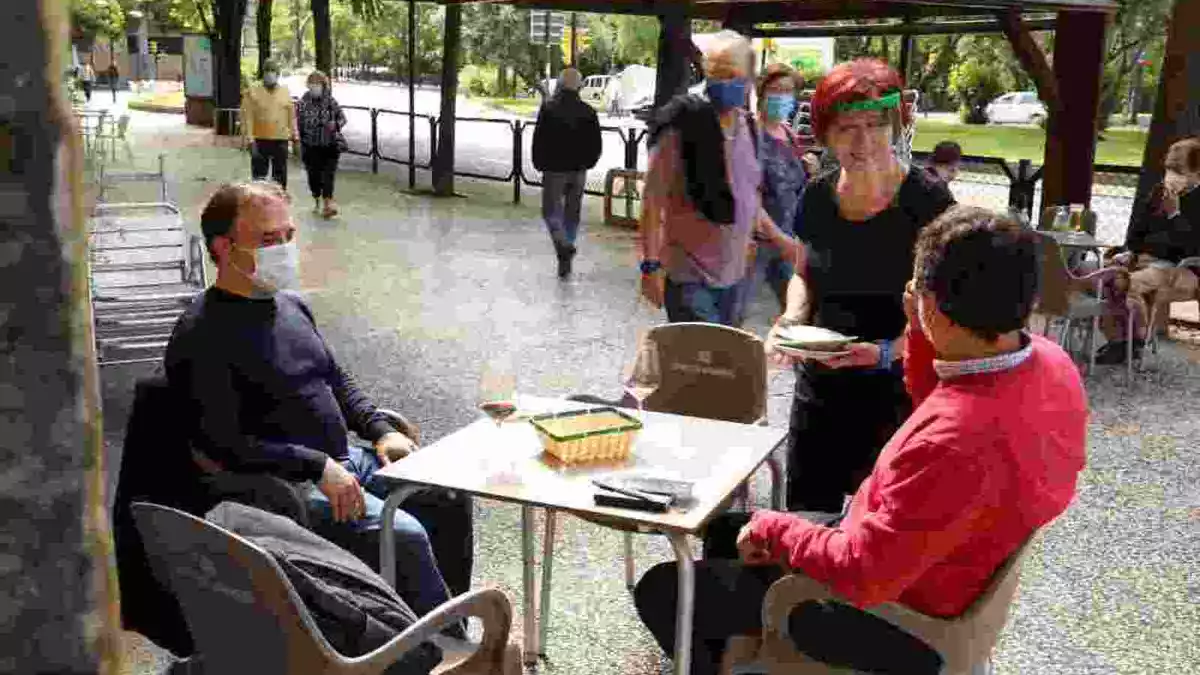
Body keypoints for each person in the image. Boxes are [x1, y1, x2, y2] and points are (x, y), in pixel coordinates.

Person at [634, 206, 1088, 674]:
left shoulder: (956, 441)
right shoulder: (1050, 366)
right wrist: (923, 330)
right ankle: (750, 643)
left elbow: (862, 574)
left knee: (666, 589)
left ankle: (746, 658)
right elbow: (941, 397)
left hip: (897, 615)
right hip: (947, 561)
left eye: (916, 287)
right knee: (724, 531)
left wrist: (775, 529)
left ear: (935, 303)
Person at [164, 182, 474, 618]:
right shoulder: (202, 332)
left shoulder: (289, 304)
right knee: (406, 535)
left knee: (448, 495)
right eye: (269, 240)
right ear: (222, 246)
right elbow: (222, 443)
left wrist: (380, 431)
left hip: (345, 459)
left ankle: (445, 618)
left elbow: (333, 377)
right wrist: (315, 466)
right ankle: (432, 648)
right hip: (284, 486)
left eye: (288, 236)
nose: (284, 250)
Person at [772, 58, 954, 512]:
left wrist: (888, 351)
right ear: (826, 133)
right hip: (821, 389)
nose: (863, 140)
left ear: (896, 125)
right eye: (846, 127)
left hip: (900, 393)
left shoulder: (928, 201)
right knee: (808, 517)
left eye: (875, 124)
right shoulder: (817, 195)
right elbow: (802, 272)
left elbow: (947, 305)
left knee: (887, 524)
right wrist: (793, 317)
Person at [639, 31, 789, 326]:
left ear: (748, 79)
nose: (725, 81)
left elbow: (749, 196)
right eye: (718, 72)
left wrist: (780, 240)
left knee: (722, 364)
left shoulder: (749, 128)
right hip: (689, 277)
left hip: (735, 277)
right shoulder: (683, 125)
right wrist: (650, 266)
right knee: (699, 364)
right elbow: (653, 201)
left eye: (733, 73)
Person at [1095, 136, 1200, 364]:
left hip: (1180, 268)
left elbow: (1190, 245)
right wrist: (1129, 251)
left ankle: (1135, 340)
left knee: (1128, 284)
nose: (1172, 177)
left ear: (1196, 173)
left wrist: (1174, 215)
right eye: (1170, 170)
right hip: (1145, 259)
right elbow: (1138, 229)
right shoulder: (1158, 193)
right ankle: (1119, 341)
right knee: (1103, 276)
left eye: (1179, 172)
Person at [737, 63, 807, 320]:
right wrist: (779, 238)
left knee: (797, 313)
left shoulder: (789, 134)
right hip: (756, 242)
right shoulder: (749, 135)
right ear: (761, 94)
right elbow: (749, 195)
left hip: (788, 239)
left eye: (788, 91)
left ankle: (794, 359)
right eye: (775, 90)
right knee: (734, 313)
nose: (782, 97)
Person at [531, 67, 603, 278]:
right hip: (579, 171)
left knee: (551, 212)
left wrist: (539, 162)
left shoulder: (549, 109)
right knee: (572, 214)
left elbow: (539, 139)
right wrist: (588, 163)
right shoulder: (589, 112)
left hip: (554, 170)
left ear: (560, 85)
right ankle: (567, 250)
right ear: (579, 87)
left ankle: (563, 245)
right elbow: (596, 145)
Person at [296, 70, 347, 218]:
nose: (314, 87)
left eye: (317, 84)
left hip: (330, 145)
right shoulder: (303, 102)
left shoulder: (330, 101)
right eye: (312, 84)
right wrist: (297, 141)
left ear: (323, 85)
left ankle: (328, 203)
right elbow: (298, 124)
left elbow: (343, 118)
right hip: (310, 146)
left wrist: (335, 125)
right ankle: (317, 196)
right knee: (314, 176)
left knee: (328, 175)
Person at [241, 61, 297, 190]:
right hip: (260, 139)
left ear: (278, 74)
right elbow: (247, 116)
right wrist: (249, 138)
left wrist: (295, 136)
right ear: (263, 73)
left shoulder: (285, 92)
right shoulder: (252, 92)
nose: (270, 74)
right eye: (267, 70)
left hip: (280, 138)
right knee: (259, 177)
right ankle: (260, 202)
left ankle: (279, 201)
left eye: (273, 71)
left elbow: (291, 116)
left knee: (280, 176)